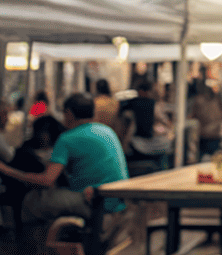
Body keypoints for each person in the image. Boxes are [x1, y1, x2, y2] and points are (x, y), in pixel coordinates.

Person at [0, 93, 128, 251]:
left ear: (68, 114)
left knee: (30, 201)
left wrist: (7, 170)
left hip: (94, 201)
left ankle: (31, 250)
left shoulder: (68, 138)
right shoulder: (107, 131)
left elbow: (47, 180)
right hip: (116, 201)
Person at [119, 80, 172, 168]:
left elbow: (124, 126)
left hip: (137, 144)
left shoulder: (132, 104)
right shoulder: (154, 105)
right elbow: (165, 123)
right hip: (149, 144)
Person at [190, 82, 222, 159]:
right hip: (214, 134)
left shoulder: (198, 100)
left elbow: (193, 115)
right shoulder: (217, 100)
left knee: (202, 157)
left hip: (204, 134)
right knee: (215, 158)